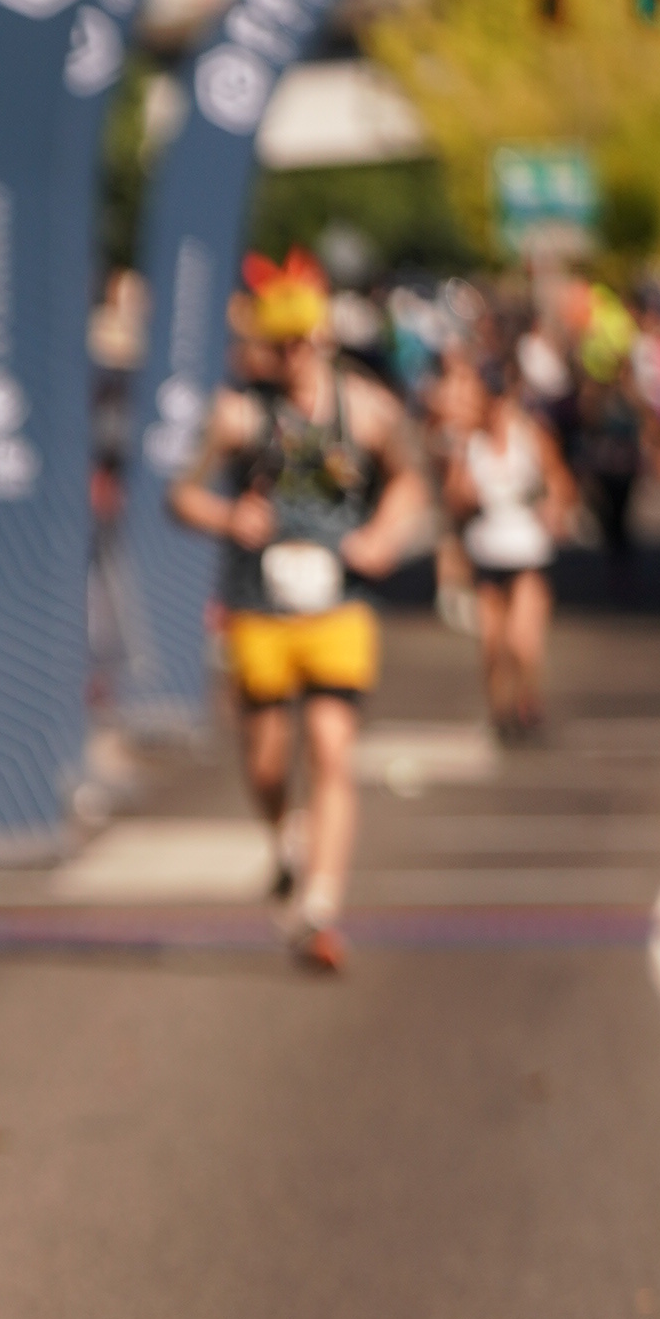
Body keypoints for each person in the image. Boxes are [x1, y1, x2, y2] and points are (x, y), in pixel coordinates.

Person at [170, 253, 426, 976]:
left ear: (320, 338)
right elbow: (180, 495)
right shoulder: (238, 414)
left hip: (340, 602)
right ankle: (285, 832)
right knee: (266, 758)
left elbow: (410, 480)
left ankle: (320, 904)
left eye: (298, 342)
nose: (288, 356)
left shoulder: (368, 409)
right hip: (259, 605)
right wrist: (228, 516)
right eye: (275, 345)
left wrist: (385, 535)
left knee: (332, 748)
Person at [444, 363, 573, 745]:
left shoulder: (531, 437)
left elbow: (561, 482)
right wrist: (463, 491)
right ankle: (500, 712)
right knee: (491, 643)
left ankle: (529, 700)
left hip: (527, 553)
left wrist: (554, 507)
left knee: (522, 640)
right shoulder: (468, 445)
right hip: (487, 553)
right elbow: (453, 502)